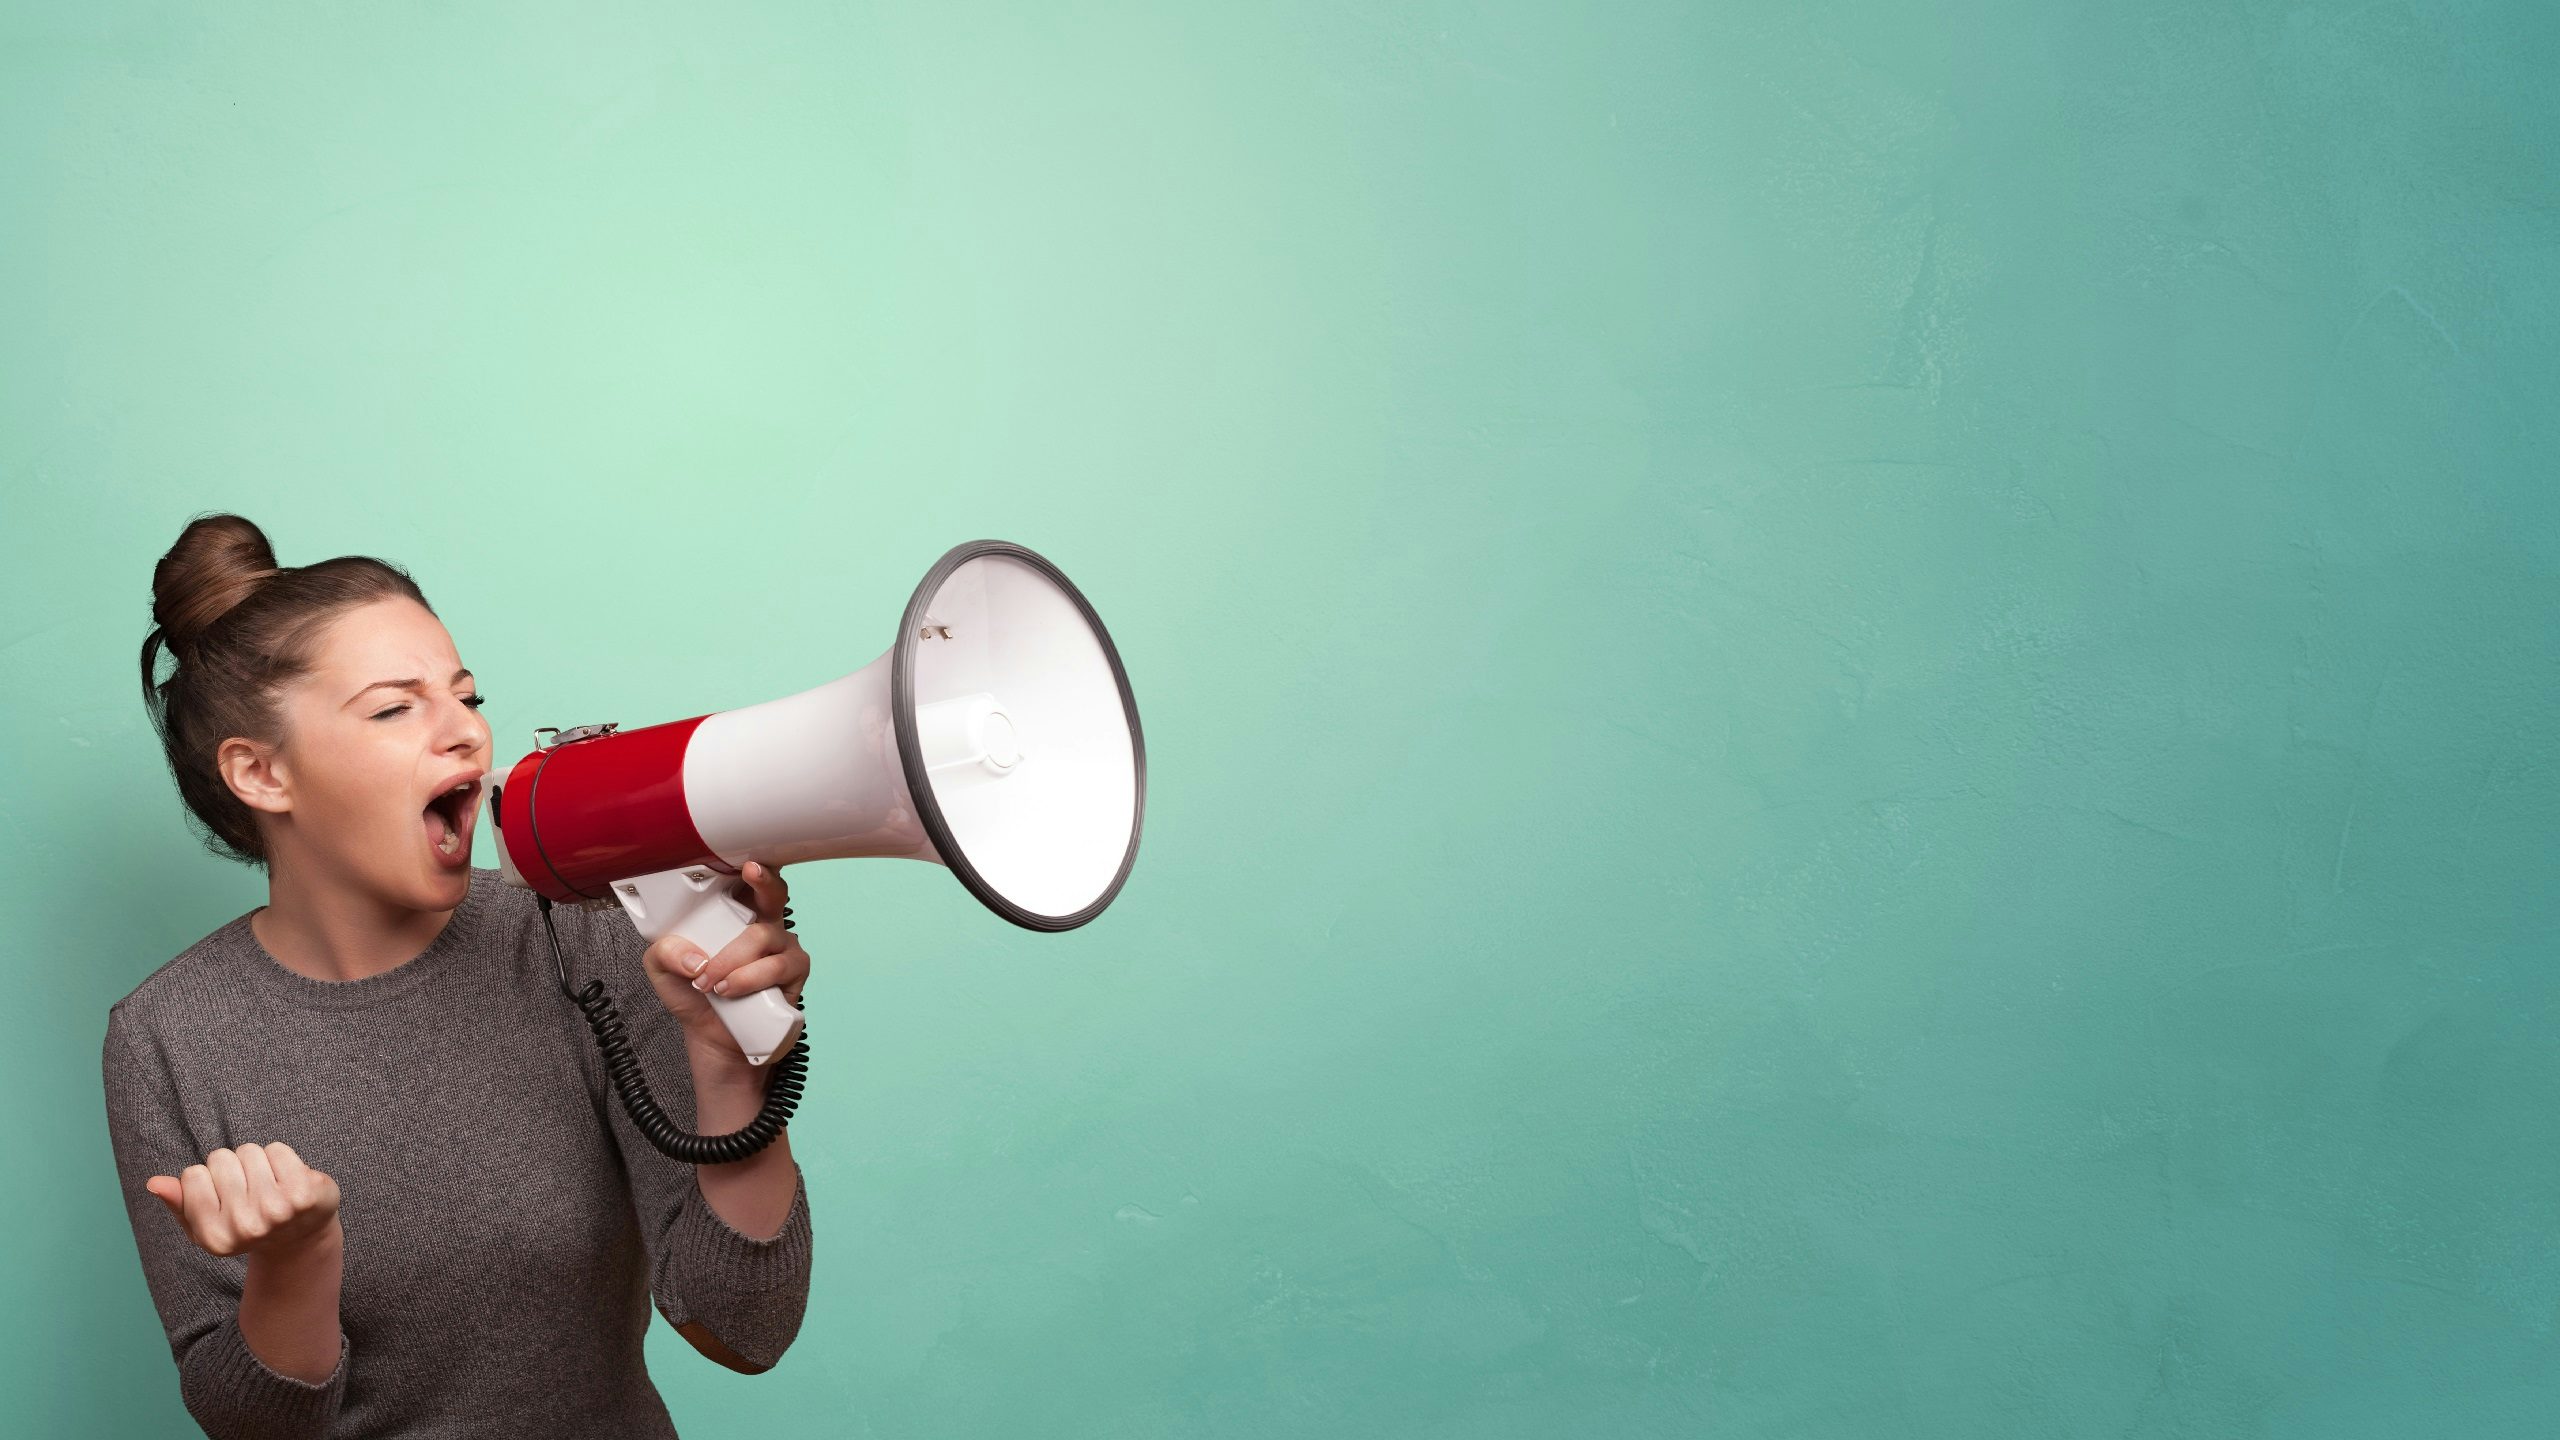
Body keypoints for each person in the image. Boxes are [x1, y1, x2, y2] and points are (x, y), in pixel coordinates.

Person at [103, 512, 816, 1437]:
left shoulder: (582, 935)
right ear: (261, 773)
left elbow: (743, 1331)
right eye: (396, 708)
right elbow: (254, 1426)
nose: (469, 737)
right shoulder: (167, 1035)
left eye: (468, 697)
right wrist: (294, 1266)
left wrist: (732, 1077)